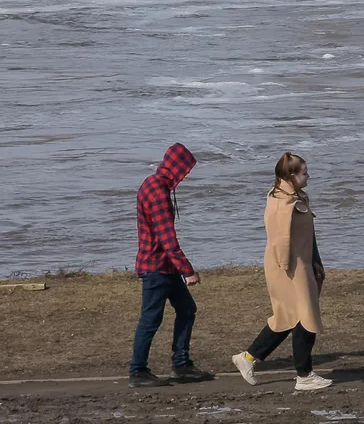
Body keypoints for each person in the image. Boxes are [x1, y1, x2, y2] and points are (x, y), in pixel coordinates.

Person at [233, 152, 331, 392]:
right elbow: (280, 241)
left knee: (288, 317)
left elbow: (309, 232)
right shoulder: (280, 203)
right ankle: (304, 375)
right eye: (305, 172)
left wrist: (315, 260)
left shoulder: (296, 197)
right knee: (303, 316)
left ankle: (247, 358)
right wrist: (289, 270)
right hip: (286, 267)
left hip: (301, 263)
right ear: (292, 175)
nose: (309, 176)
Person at [128, 143, 212, 387]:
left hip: (164, 266)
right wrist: (188, 270)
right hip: (156, 267)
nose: (185, 176)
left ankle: (182, 365)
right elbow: (167, 239)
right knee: (150, 320)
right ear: (176, 168)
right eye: (185, 171)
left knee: (187, 309)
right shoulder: (158, 192)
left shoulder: (153, 183)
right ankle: (137, 371)